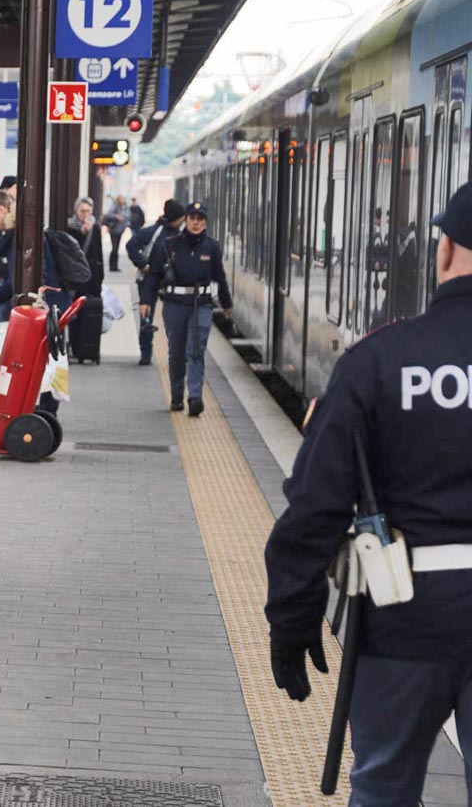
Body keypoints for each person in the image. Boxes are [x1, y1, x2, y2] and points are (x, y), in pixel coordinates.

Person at [263, 181, 472, 806]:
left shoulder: (380, 361)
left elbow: (317, 506)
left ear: (444, 251)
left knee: (383, 785)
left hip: (406, 616)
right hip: (408, 615)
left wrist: (292, 617)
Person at [139, 202, 231, 416]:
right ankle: (177, 395)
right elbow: (153, 276)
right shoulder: (168, 245)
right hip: (175, 305)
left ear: (205, 222)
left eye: (200, 219)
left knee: (196, 349)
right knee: (177, 353)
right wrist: (146, 300)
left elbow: (220, 276)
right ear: (186, 220)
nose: (196, 223)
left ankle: (195, 396)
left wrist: (226, 303)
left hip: (202, 304)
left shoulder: (212, 247)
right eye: (192, 219)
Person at [127, 199, 186, 366]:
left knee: (173, 317)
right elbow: (131, 245)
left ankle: (176, 351)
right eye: (180, 218)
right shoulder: (154, 231)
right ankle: (146, 352)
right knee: (146, 317)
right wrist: (142, 264)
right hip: (148, 279)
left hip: (172, 283)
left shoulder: (182, 232)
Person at [68, 196, 104, 296]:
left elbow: (98, 252)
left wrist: (100, 276)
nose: (85, 214)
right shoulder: (70, 227)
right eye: (82, 211)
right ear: (76, 211)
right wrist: (81, 233)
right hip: (75, 273)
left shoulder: (95, 227)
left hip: (91, 272)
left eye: (88, 211)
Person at [102, 195, 130, 272]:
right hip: (114, 230)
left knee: (116, 249)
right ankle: (112, 266)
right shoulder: (114, 207)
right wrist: (116, 216)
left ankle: (115, 266)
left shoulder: (125, 207)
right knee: (114, 248)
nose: (122, 200)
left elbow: (128, 216)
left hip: (120, 230)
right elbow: (108, 215)